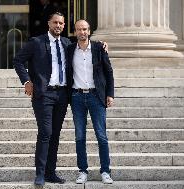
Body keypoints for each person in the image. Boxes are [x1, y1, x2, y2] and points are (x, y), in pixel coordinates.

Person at [13, 12, 70, 186]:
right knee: (46, 133)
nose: (58, 26)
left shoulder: (67, 44)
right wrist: (27, 81)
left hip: (62, 95)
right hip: (44, 94)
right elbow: (18, 61)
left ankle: (50, 173)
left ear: (64, 25)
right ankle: (40, 173)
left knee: (55, 135)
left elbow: (86, 49)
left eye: (61, 23)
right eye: (55, 23)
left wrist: (101, 45)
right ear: (49, 24)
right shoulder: (36, 42)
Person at [66, 20, 114, 184]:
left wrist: (110, 94)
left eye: (85, 29)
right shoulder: (70, 48)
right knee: (80, 136)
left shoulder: (99, 48)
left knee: (101, 136)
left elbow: (109, 72)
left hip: (96, 96)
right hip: (77, 97)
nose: (82, 32)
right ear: (75, 32)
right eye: (79, 29)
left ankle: (105, 171)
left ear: (89, 30)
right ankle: (82, 170)